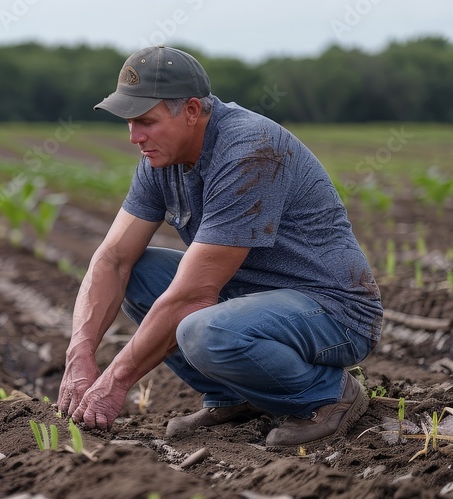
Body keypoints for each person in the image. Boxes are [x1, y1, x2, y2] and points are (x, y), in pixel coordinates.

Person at [57, 46, 383, 447]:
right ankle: (234, 399)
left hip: (332, 311)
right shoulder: (162, 160)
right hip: (254, 302)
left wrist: (114, 382)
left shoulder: (250, 150)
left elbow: (193, 295)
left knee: (202, 329)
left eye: (146, 121)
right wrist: (80, 353)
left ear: (192, 111)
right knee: (139, 273)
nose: (134, 137)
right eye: (129, 122)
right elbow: (112, 260)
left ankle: (327, 395)